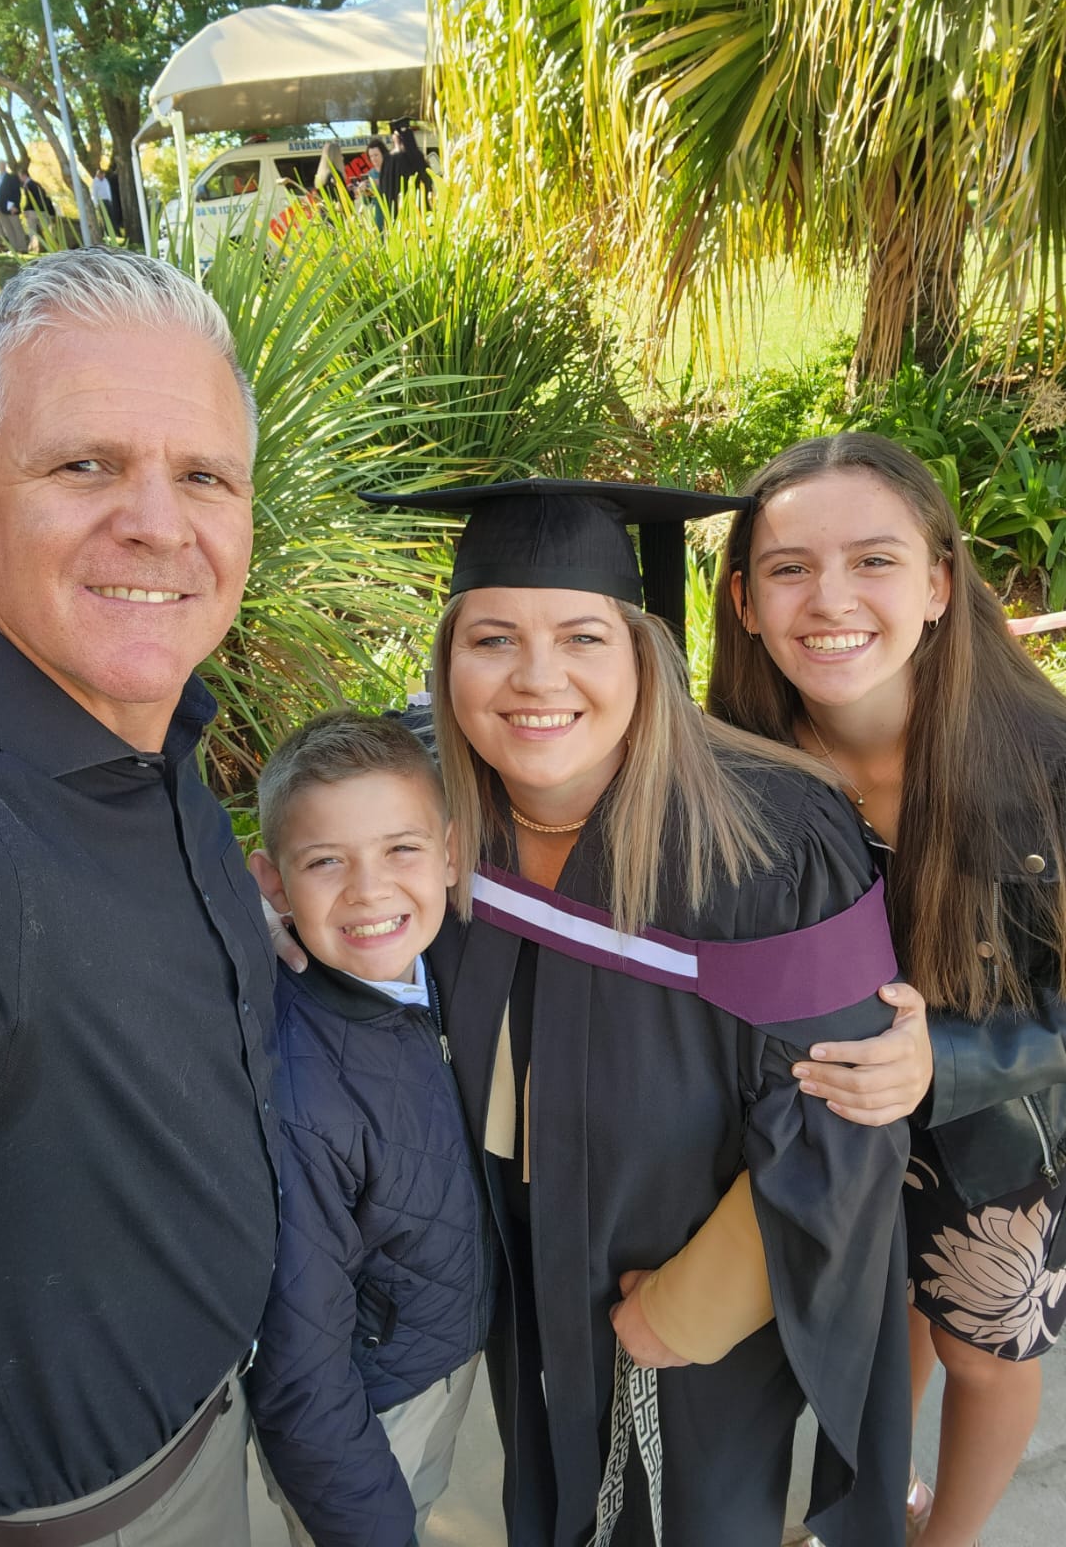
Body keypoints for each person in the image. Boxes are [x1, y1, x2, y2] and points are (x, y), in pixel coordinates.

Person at [323, 477, 930, 1547]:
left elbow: (843, 1114)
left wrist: (693, 1305)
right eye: (492, 637)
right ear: (447, 656)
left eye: (581, 636)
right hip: (503, 1272)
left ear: (645, 652)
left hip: (687, 1297)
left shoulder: (778, 839)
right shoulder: (417, 812)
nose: (535, 677)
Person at [0, 247, 279, 1547]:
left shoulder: (138, 723)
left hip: (249, 1420)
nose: (160, 521)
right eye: (86, 465)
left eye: (203, 474)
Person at [708, 431, 1066, 1547]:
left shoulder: (1046, 762)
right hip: (823, 1119)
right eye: (788, 567)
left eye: (874, 560)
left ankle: (942, 1536)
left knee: (982, 1344)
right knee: (875, 1315)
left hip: (1000, 1124)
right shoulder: (734, 763)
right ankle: (866, 1501)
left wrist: (944, 1060)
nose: (831, 599)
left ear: (940, 583)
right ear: (744, 601)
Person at [246, 710, 494, 1547]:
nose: (371, 890)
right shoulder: (300, 1096)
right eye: (325, 863)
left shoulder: (444, 963)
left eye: (401, 850)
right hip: (372, 1408)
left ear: (451, 853)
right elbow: (301, 1374)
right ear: (271, 885)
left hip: (435, 1344)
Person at [378, 119, 432, 215]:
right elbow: (427, 181)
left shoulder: (389, 159)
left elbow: (384, 187)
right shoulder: (419, 157)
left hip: (397, 212)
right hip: (419, 210)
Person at [0, 157, 27, 252]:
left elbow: (16, 193)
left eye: (2, 164)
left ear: (5, 165)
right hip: (0, 207)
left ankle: (22, 248)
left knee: (16, 227)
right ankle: (14, 248)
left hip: (10, 207)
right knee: (8, 229)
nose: (1, 166)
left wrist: (13, 206)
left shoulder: (12, 177)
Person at [355, 135, 388, 232]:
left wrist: (379, 182)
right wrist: (363, 191)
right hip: (378, 215)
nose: (373, 159)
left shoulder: (391, 170)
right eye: (371, 156)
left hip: (392, 211)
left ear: (383, 154)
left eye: (376, 155)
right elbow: (367, 202)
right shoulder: (370, 174)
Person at [19, 166, 56, 246]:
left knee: (32, 229)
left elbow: (30, 200)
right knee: (46, 230)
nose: (20, 179)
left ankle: (34, 246)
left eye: (20, 176)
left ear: (24, 175)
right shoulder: (37, 184)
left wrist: (26, 210)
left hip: (33, 211)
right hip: (43, 210)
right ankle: (51, 245)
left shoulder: (28, 185)